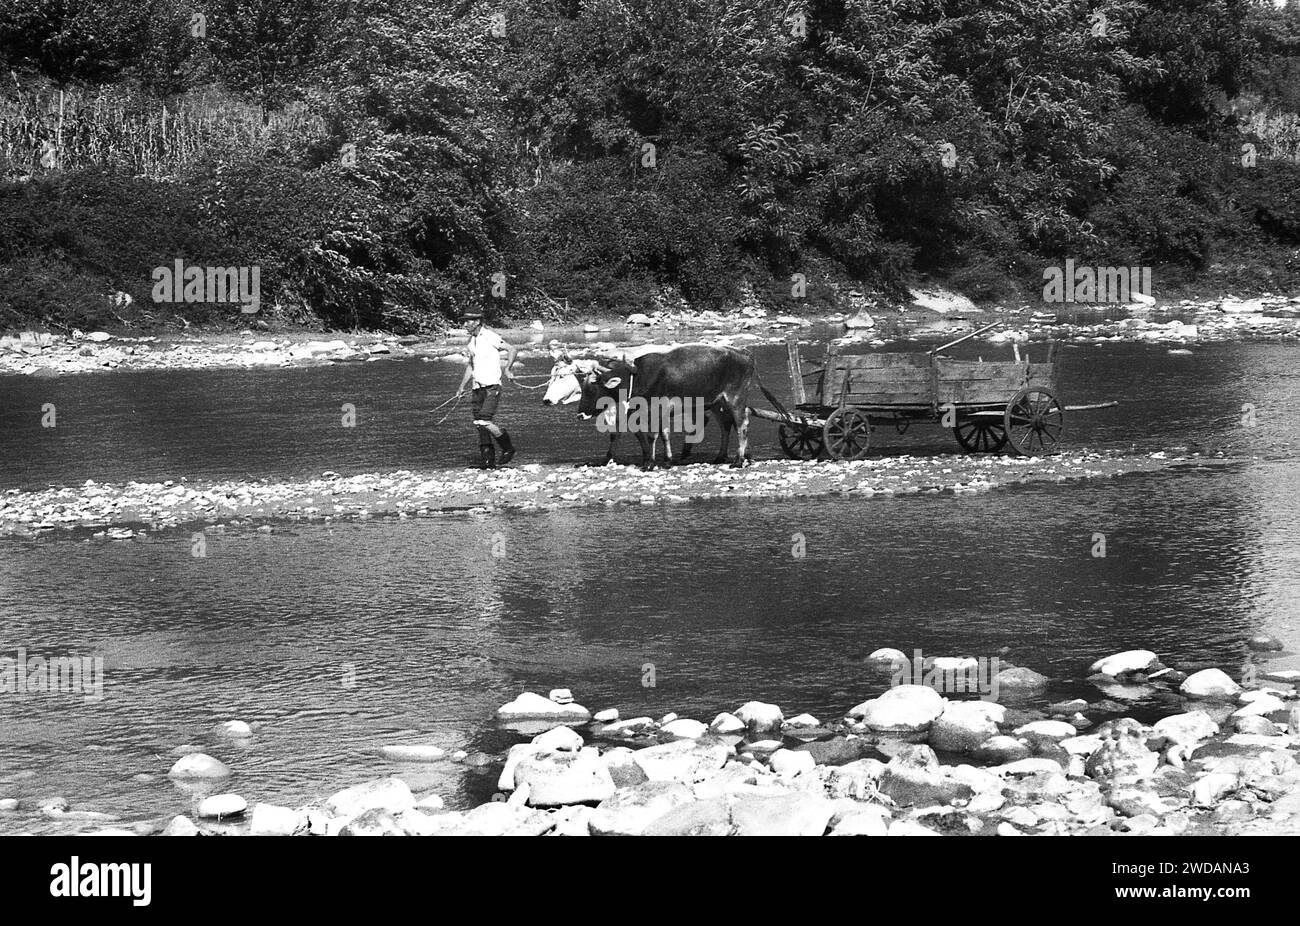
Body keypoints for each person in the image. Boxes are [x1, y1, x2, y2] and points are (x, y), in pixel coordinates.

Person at [457, 311, 519, 468]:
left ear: (477, 321)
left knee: (484, 420)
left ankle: (508, 448)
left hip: (492, 386)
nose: (464, 325)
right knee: (479, 425)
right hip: (476, 388)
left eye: (467, 322)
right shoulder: (472, 340)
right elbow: (471, 365)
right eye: (464, 322)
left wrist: (508, 369)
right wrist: (462, 386)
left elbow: (512, 349)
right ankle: (488, 462)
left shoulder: (490, 336)